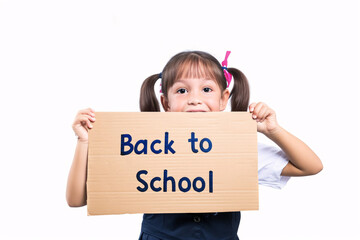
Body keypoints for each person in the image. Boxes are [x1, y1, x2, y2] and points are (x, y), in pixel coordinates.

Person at [66, 51, 323, 240]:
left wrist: (273, 130)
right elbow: (76, 200)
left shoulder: (238, 147)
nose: (194, 99)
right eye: (182, 91)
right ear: (165, 103)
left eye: (206, 89)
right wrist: (84, 141)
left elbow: (311, 166)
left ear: (224, 99)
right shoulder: (141, 147)